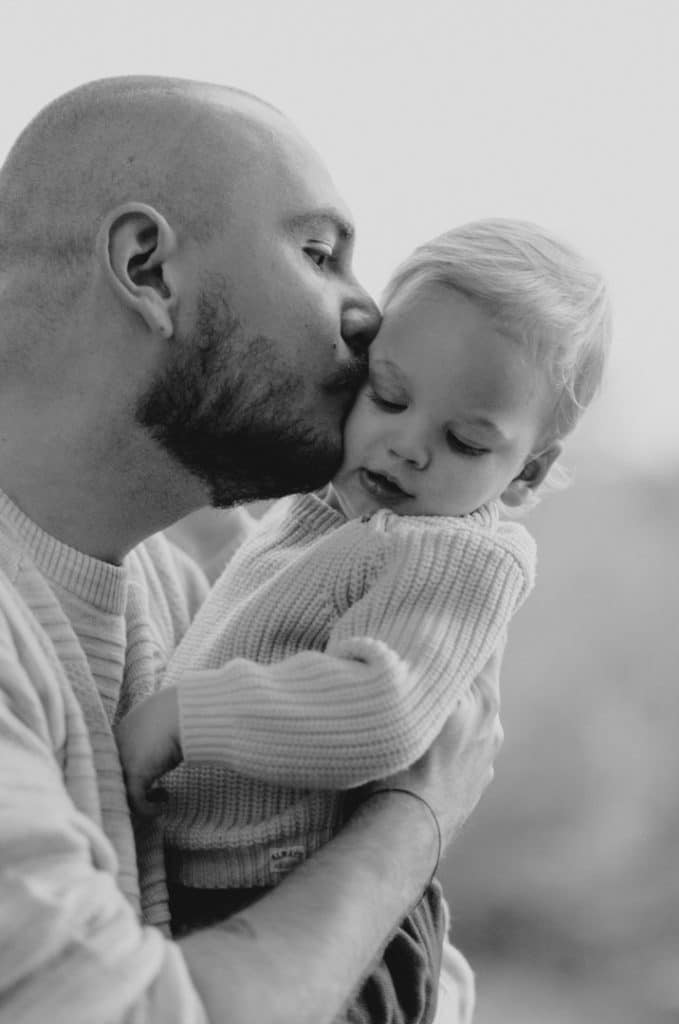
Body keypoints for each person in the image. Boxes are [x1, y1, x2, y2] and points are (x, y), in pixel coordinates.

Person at [0, 76, 502, 1024]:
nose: (368, 318)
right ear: (148, 268)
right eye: (320, 254)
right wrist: (414, 820)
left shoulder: (204, 594)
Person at [115, 219, 612, 1016]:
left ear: (528, 472)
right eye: (388, 396)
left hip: (324, 908)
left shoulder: (458, 557)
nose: (407, 447)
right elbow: (251, 615)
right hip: (237, 887)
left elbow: (379, 706)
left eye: (462, 440)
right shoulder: (332, 511)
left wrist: (186, 716)